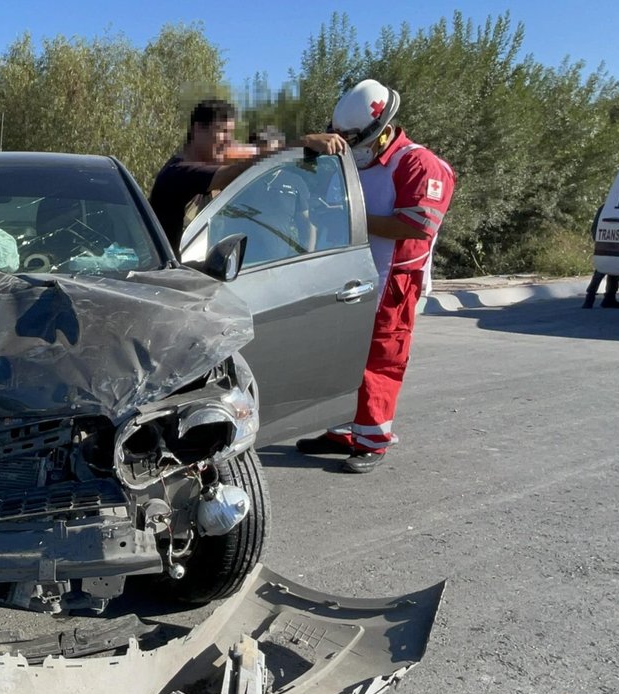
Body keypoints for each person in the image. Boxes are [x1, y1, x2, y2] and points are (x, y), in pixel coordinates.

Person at [294, 79, 455, 474]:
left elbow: (417, 226)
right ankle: (342, 429)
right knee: (342, 353)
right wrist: (308, 141)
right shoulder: (353, 154)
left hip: (394, 278)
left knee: (380, 357)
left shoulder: (418, 164)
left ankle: (372, 439)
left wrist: (353, 223)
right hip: (351, 273)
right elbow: (297, 157)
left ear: (382, 130)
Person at [148, 99, 344, 248]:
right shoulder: (180, 173)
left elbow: (248, 155)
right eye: (223, 131)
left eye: (231, 134)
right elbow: (236, 171)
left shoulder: (197, 168)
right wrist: (301, 143)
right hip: (168, 284)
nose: (228, 141)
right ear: (198, 128)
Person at [583, 204, 619, 309]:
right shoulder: (606, 207)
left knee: (616, 272)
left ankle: (609, 298)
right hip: (606, 243)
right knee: (600, 271)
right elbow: (595, 227)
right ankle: (589, 298)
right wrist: (599, 241)